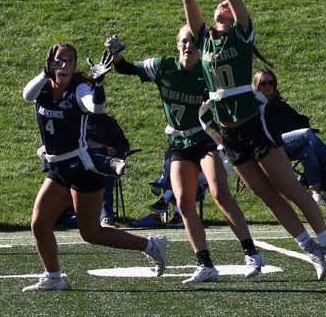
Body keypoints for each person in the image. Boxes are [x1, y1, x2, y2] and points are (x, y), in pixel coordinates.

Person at [165, 0, 326, 282]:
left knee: (289, 188)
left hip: (251, 123)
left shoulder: (241, 35)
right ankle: (311, 248)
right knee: (266, 196)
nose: (224, 3)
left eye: (227, 4)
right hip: (228, 133)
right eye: (219, 4)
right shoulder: (204, 39)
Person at [107, 27, 265, 283]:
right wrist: (116, 56)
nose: (188, 45)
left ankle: (252, 254)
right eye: (183, 41)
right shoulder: (162, 66)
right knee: (183, 202)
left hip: (206, 139)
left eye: (193, 41)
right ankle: (205, 264)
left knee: (219, 193)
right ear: (177, 44)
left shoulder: (208, 70)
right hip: (179, 143)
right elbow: (126, 69)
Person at [21, 42, 166, 292]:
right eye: (59, 59)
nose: (64, 64)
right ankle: (53, 277)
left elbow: (96, 107)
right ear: (50, 62)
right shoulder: (42, 86)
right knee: (39, 223)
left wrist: (98, 85)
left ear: (75, 65)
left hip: (82, 168)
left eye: (70, 60)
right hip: (58, 167)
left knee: (91, 233)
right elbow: (26, 94)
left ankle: (152, 246)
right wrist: (45, 72)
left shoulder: (79, 88)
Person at [252, 68, 326, 205]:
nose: (268, 86)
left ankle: (316, 194)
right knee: (307, 133)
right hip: (267, 147)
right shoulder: (253, 107)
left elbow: (299, 120)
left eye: (271, 82)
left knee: (306, 149)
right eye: (263, 83)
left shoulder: (279, 104)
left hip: (284, 146)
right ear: (257, 86)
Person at [86, 112, 130, 227]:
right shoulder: (75, 120)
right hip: (79, 164)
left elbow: (124, 146)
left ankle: (105, 216)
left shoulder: (108, 122)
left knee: (105, 174)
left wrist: (113, 151)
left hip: (102, 166)